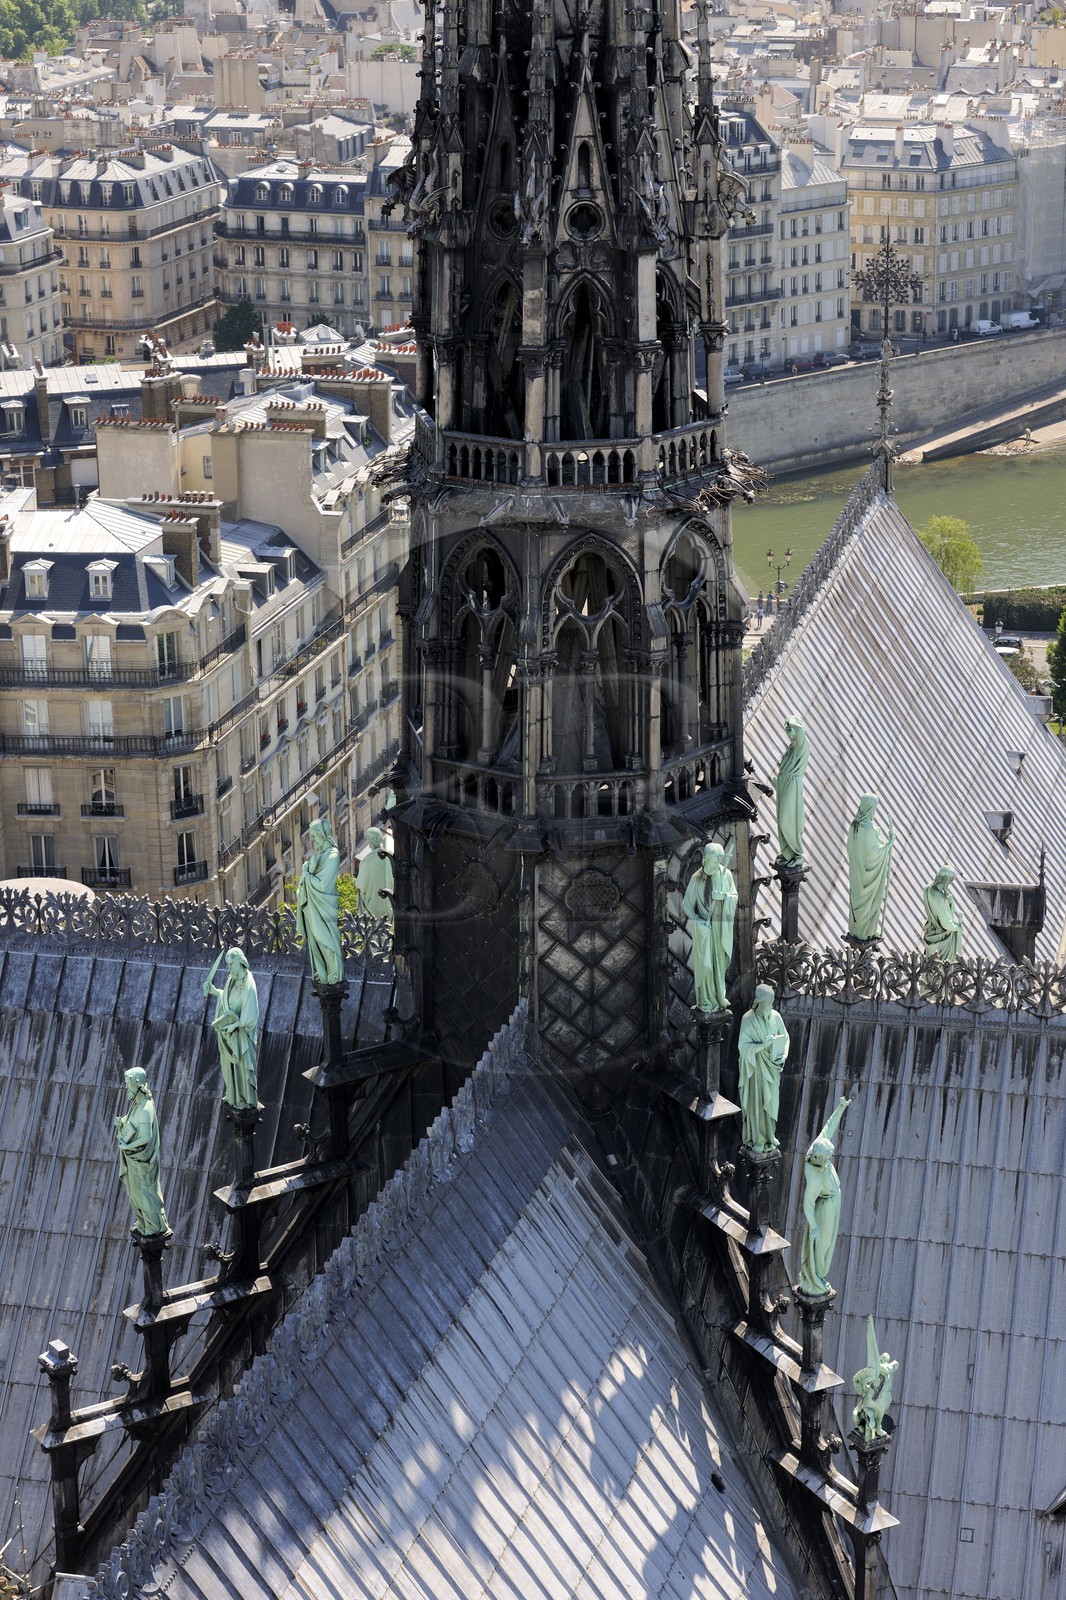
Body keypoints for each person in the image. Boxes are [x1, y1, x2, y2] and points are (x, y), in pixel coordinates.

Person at [797, 1095, 851, 1296]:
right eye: (826, 1158)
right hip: (825, 1209)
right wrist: (813, 1227)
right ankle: (817, 1279)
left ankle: (818, 1278)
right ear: (818, 1158)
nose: (829, 1161)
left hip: (834, 1201)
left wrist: (841, 1108)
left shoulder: (818, 1148)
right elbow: (808, 1205)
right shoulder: (814, 1178)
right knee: (824, 1246)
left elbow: (829, 1126)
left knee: (829, 1244)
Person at [681, 841, 738, 1012]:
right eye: (713, 863)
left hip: (721, 927)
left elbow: (734, 897)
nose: (716, 866)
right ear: (705, 860)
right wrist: (698, 920)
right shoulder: (696, 878)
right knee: (706, 968)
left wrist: (724, 897)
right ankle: (706, 999)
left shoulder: (725, 874)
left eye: (718, 862)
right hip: (705, 929)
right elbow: (686, 905)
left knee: (719, 965)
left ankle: (719, 997)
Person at [203, 948, 260, 1110]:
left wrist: (234, 1025)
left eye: (231, 965)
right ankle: (234, 1094)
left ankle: (245, 1098)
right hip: (228, 1036)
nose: (229, 969)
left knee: (243, 1069)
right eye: (227, 965)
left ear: (241, 962)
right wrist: (215, 992)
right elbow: (226, 999)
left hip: (242, 1038)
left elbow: (251, 1017)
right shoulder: (231, 979)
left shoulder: (249, 985)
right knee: (228, 1066)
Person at [114, 1067, 168, 1237]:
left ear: (137, 1084)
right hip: (135, 1159)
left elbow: (145, 1137)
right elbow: (134, 1126)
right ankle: (144, 1220)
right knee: (135, 1193)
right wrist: (122, 1123)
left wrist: (126, 1147)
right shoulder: (137, 1103)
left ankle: (154, 1224)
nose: (126, 1087)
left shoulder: (145, 1108)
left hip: (142, 1161)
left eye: (128, 1084)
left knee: (145, 1193)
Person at [737, 985, 789, 1151]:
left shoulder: (775, 1016)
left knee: (772, 1103)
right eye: (768, 1003)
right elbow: (742, 1046)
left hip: (772, 1068)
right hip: (755, 1070)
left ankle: (769, 1137)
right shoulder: (748, 1019)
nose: (771, 1006)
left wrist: (784, 1055)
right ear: (759, 1002)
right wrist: (763, 1045)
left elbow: (786, 1038)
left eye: (772, 1002)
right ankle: (758, 1139)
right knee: (757, 1104)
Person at [296, 816, 344, 985]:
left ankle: (334, 972)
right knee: (317, 941)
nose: (313, 841)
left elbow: (322, 885)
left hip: (324, 906)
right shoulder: (322, 855)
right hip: (316, 906)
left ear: (322, 836)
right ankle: (323, 971)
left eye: (315, 837)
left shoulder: (332, 856)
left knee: (326, 941)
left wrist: (306, 874)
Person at [847, 793, 894, 943]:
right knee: (868, 903)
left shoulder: (854, 825)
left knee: (857, 900)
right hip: (868, 876)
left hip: (857, 872)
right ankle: (865, 931)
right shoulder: (869, 829)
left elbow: (851, 848)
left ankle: (856, 929)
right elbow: (874, 853)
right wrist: (888, 846)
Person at [773, 713, 810, 871]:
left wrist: (791, 721)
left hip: (792, 785)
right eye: (786, 730)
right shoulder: (793, 745)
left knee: (786, 820)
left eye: (790, 729)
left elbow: (800, 731)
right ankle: (788, 853)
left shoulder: (802, 744)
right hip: (784, 784)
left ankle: (797, 854)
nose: (788, 732)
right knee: (782, 822)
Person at [922, 866, 963, 960]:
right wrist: (958, 928)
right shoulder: (940, 898)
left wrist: (946, 895)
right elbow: (946, 924)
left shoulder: (927, 889)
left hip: (931, 932)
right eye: (950, 880)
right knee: (943, 970)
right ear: (946, 879)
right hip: (943, 940)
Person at [356, 826, 394, 922]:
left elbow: (361, 886)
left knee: (373, 931)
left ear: (370, 841)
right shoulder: (389, 857)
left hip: (372, 902)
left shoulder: (367, 861)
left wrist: (355, 881)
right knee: (386, 928)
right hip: (387, 900)